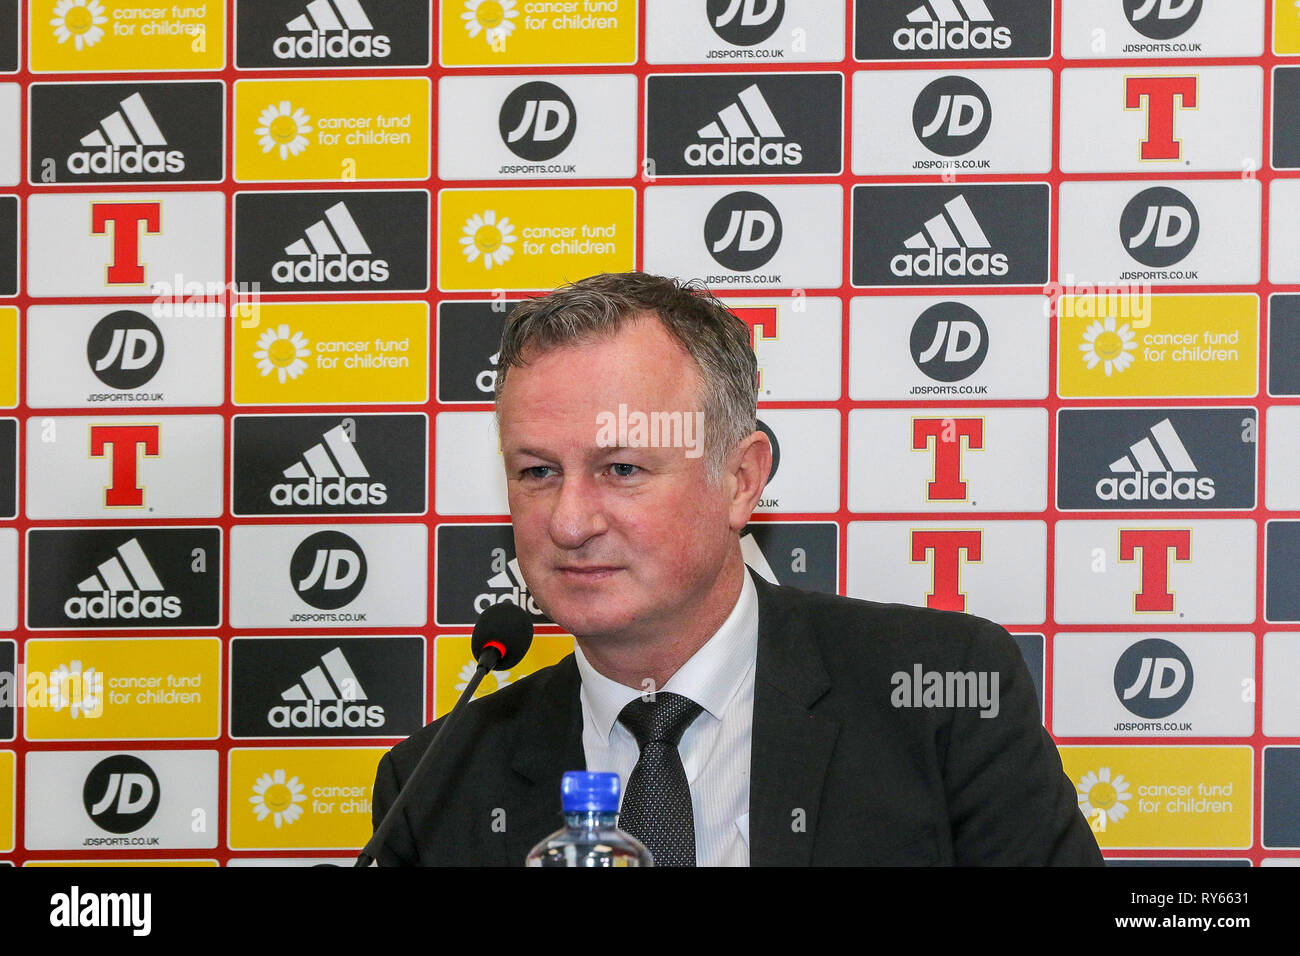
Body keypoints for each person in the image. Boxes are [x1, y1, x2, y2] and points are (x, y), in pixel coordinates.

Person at [370, 271, 1104, 866]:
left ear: (741, 480)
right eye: (537, 472)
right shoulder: (435, 782)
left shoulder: (941, 693)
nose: (568, 521)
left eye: (622, 468)